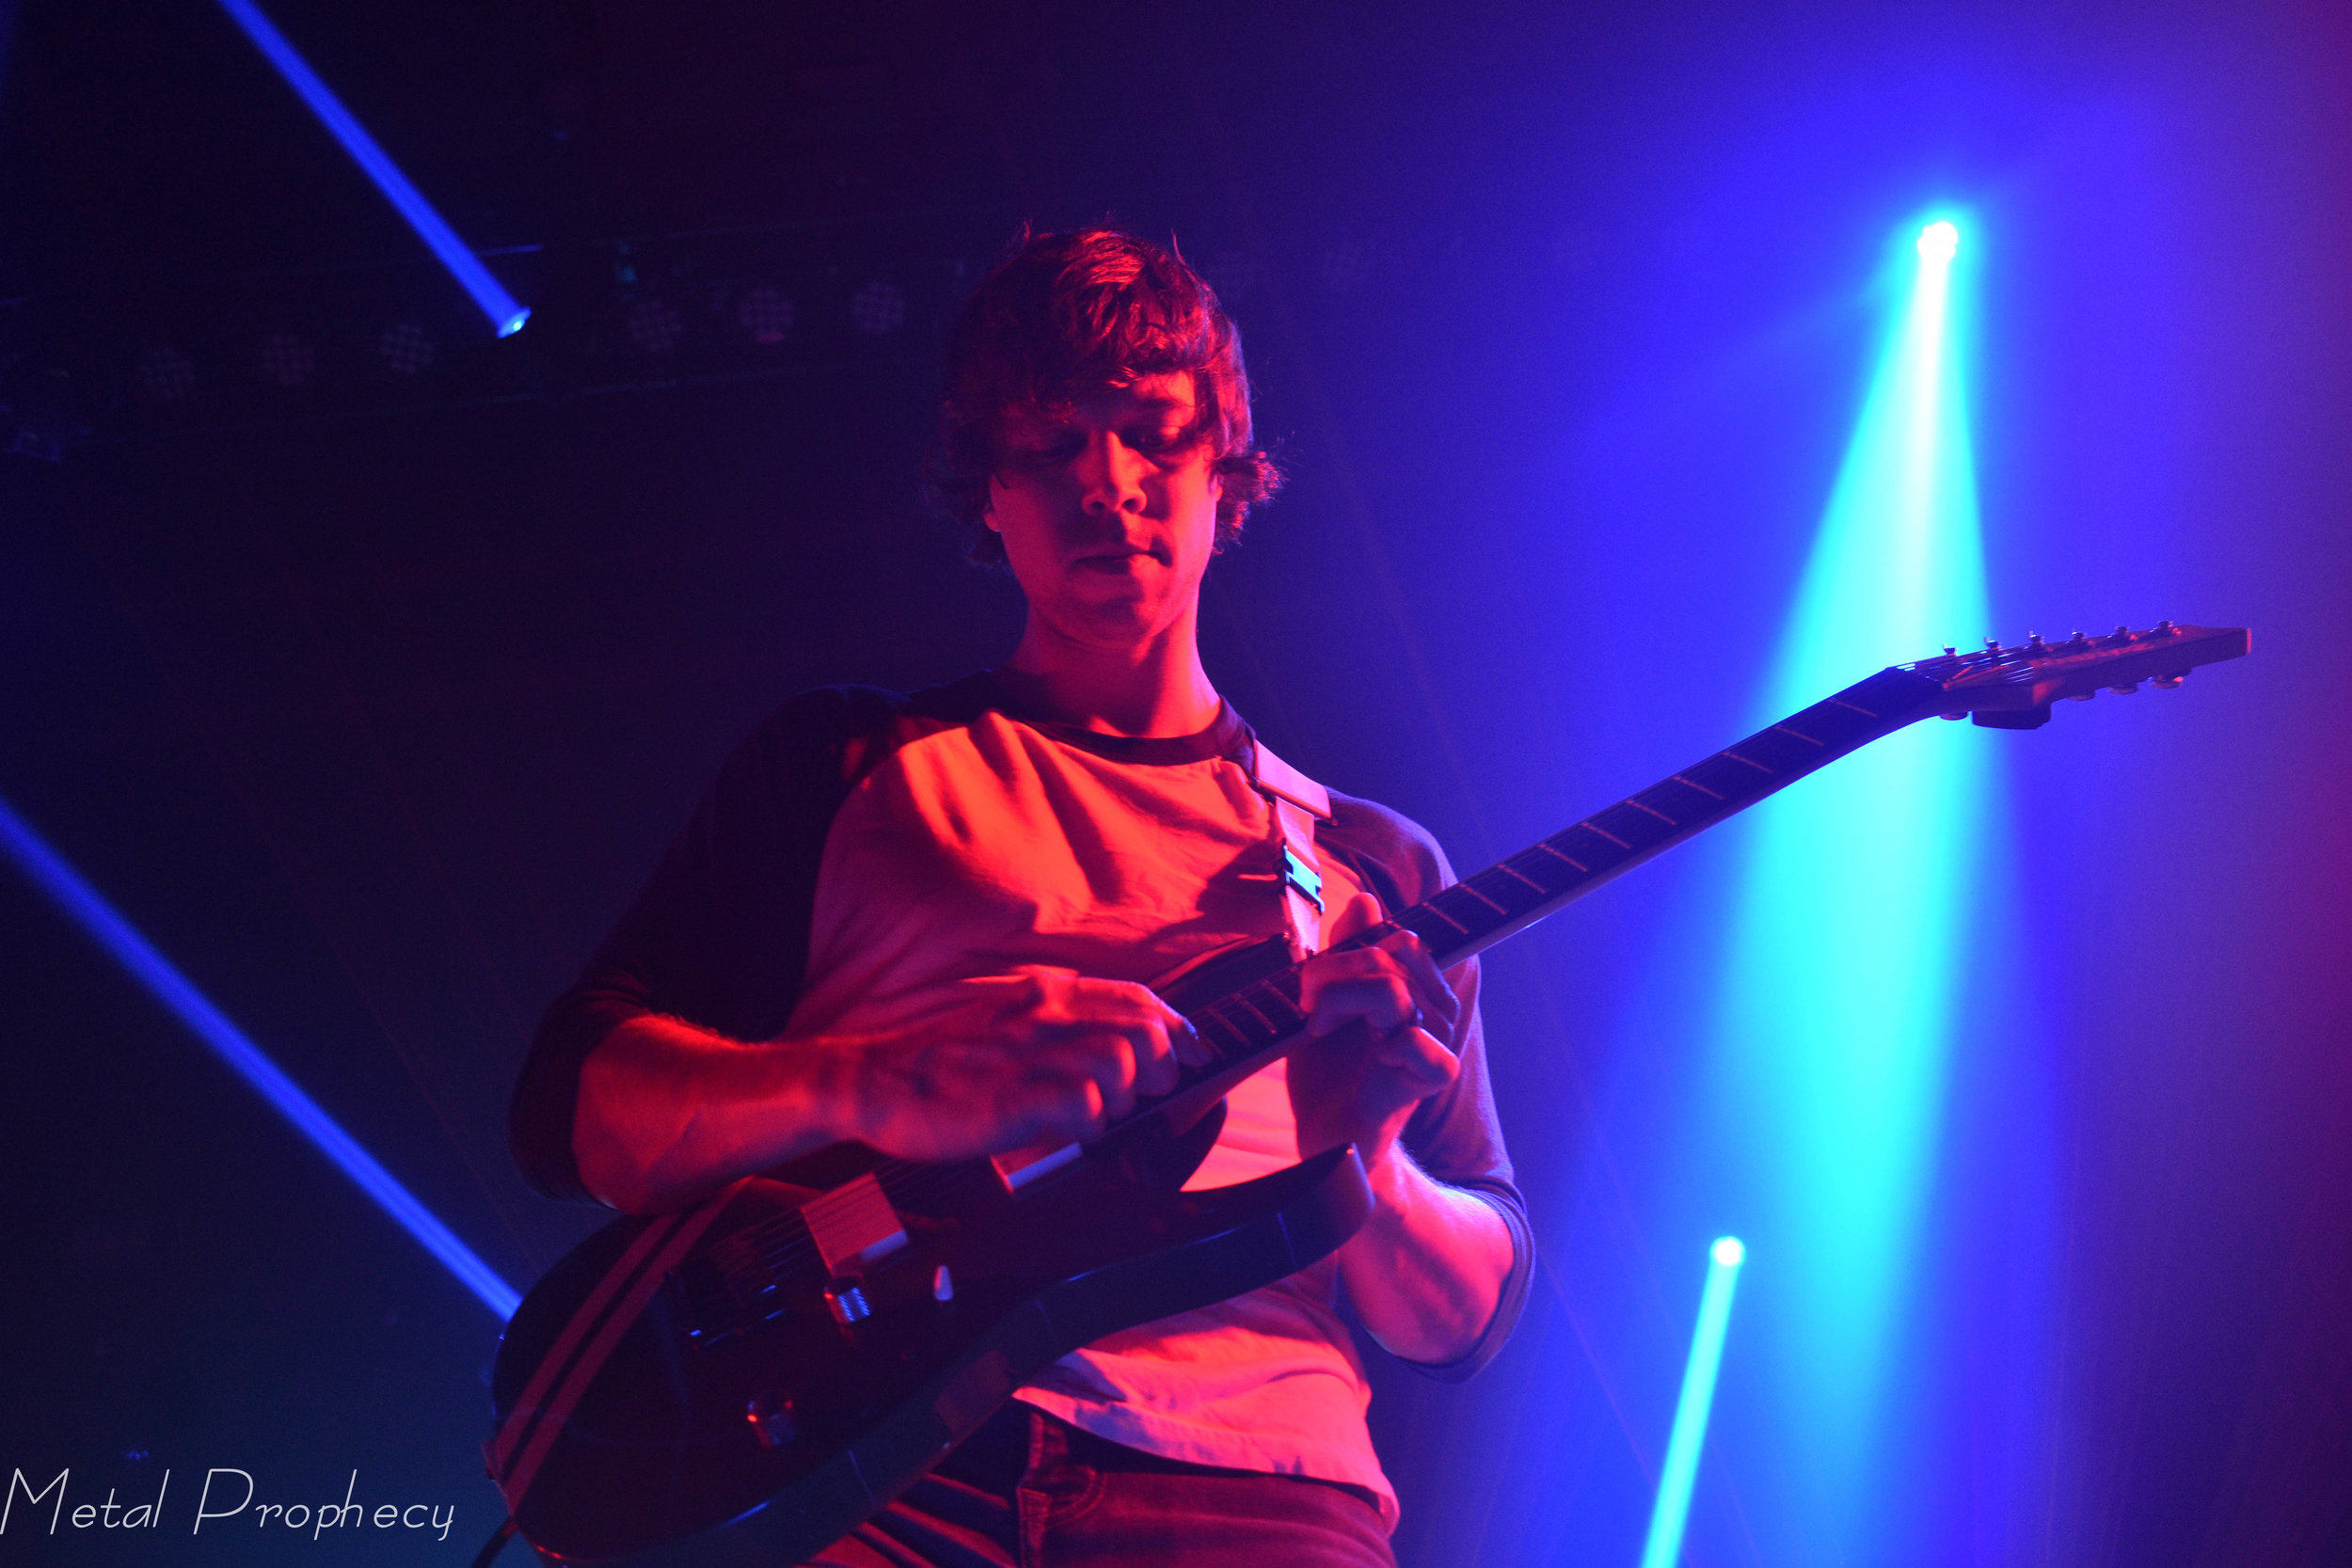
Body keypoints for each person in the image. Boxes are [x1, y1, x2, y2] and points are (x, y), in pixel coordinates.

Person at [508, 228, 1533, 1566]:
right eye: (1051, 447)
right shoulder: (850, 763)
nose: (1107, 483)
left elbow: (1458, 1321)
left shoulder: (1373, 870)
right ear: (983, 495)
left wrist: (1376, 1165)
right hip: (887, 1466)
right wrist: (875, 1083)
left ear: (1228, 479)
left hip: (1264, 1492)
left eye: (1154, 435)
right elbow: (570, 1118)